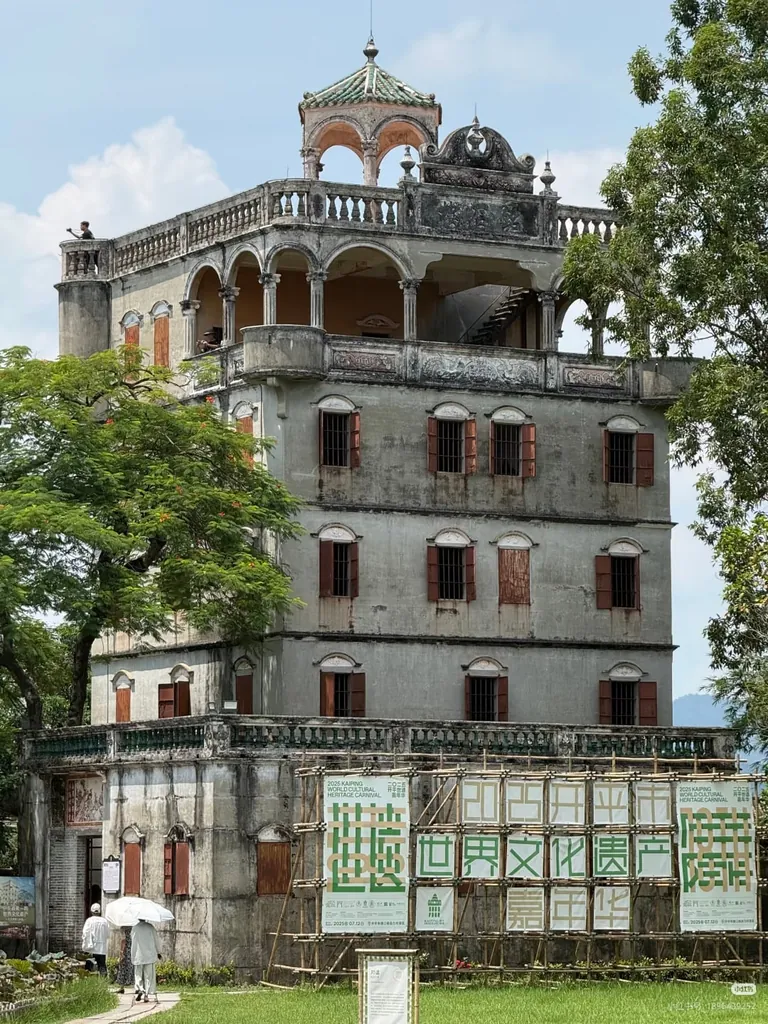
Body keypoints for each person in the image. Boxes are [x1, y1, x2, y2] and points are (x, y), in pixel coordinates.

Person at [130, 918, 161, 1002]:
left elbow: (132, 941)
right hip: (149, 955)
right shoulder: (151, 927)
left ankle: (140, 988)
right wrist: (159, 952)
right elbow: (156, 940)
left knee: (138, 974)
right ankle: (146, 994)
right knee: (148, 976)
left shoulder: (135, 928)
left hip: (138, 954)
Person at [81, 903, 109, 976]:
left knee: (89, 964)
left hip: (91, 946)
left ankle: (90, 978)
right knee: (102, 964)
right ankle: (103, 980)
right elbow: (107, 934)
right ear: (100, 911)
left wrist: (85, 943)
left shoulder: (89, 921)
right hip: (102, 947)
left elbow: (85, 933)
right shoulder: (104, 921)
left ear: (91, 911)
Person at [115, 926, 134, 994]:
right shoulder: (134, 928)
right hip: (133, 950)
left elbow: (123, 941)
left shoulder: (123, 929)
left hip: (126, 951)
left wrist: (121, 952)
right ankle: (136, 986)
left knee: (123, 967)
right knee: (132, 967)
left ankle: (122, 987)